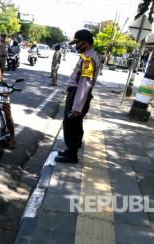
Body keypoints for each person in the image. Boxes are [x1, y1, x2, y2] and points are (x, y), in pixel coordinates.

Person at [55, 29, 100, 163]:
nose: (75, 46)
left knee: (70, 125)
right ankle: (71, 150)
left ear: (85, 43)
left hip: (77, 96)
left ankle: (72, 155)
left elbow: (84, 85)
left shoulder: (88, 60)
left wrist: (77, 108)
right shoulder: (87, 56)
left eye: (77, 43)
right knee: (75, 125)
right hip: (76, 95)